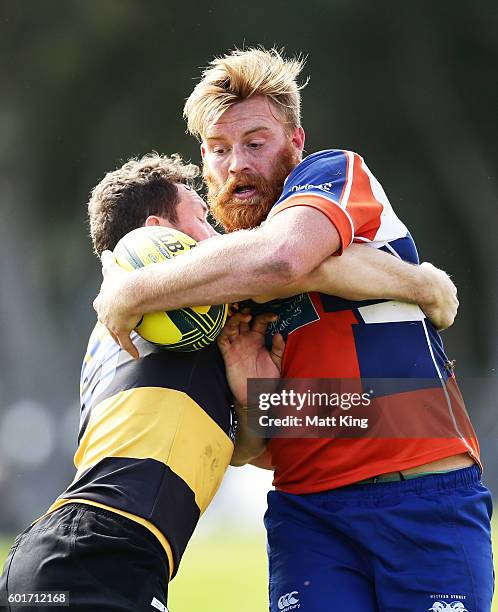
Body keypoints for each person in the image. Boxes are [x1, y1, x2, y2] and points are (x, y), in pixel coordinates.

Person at [94, 49, 494, 611]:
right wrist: (259, 399)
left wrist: (130, 289)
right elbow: (255, 452)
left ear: (295, 142)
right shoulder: (210, 291)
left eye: (256, 144)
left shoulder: (332, 173)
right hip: (307, 514)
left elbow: (284, 258)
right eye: (219, 150)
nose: (237, 165)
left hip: (422, 498)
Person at [0, 152, 451, 612]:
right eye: (201, 219)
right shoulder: (169, 304)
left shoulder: (148, 319)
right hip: (99, 553)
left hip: (69, 560)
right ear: (160, 236)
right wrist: (424, 285)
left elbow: (242, 450)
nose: (219, 236)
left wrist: (251, 398)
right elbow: (290, 262)